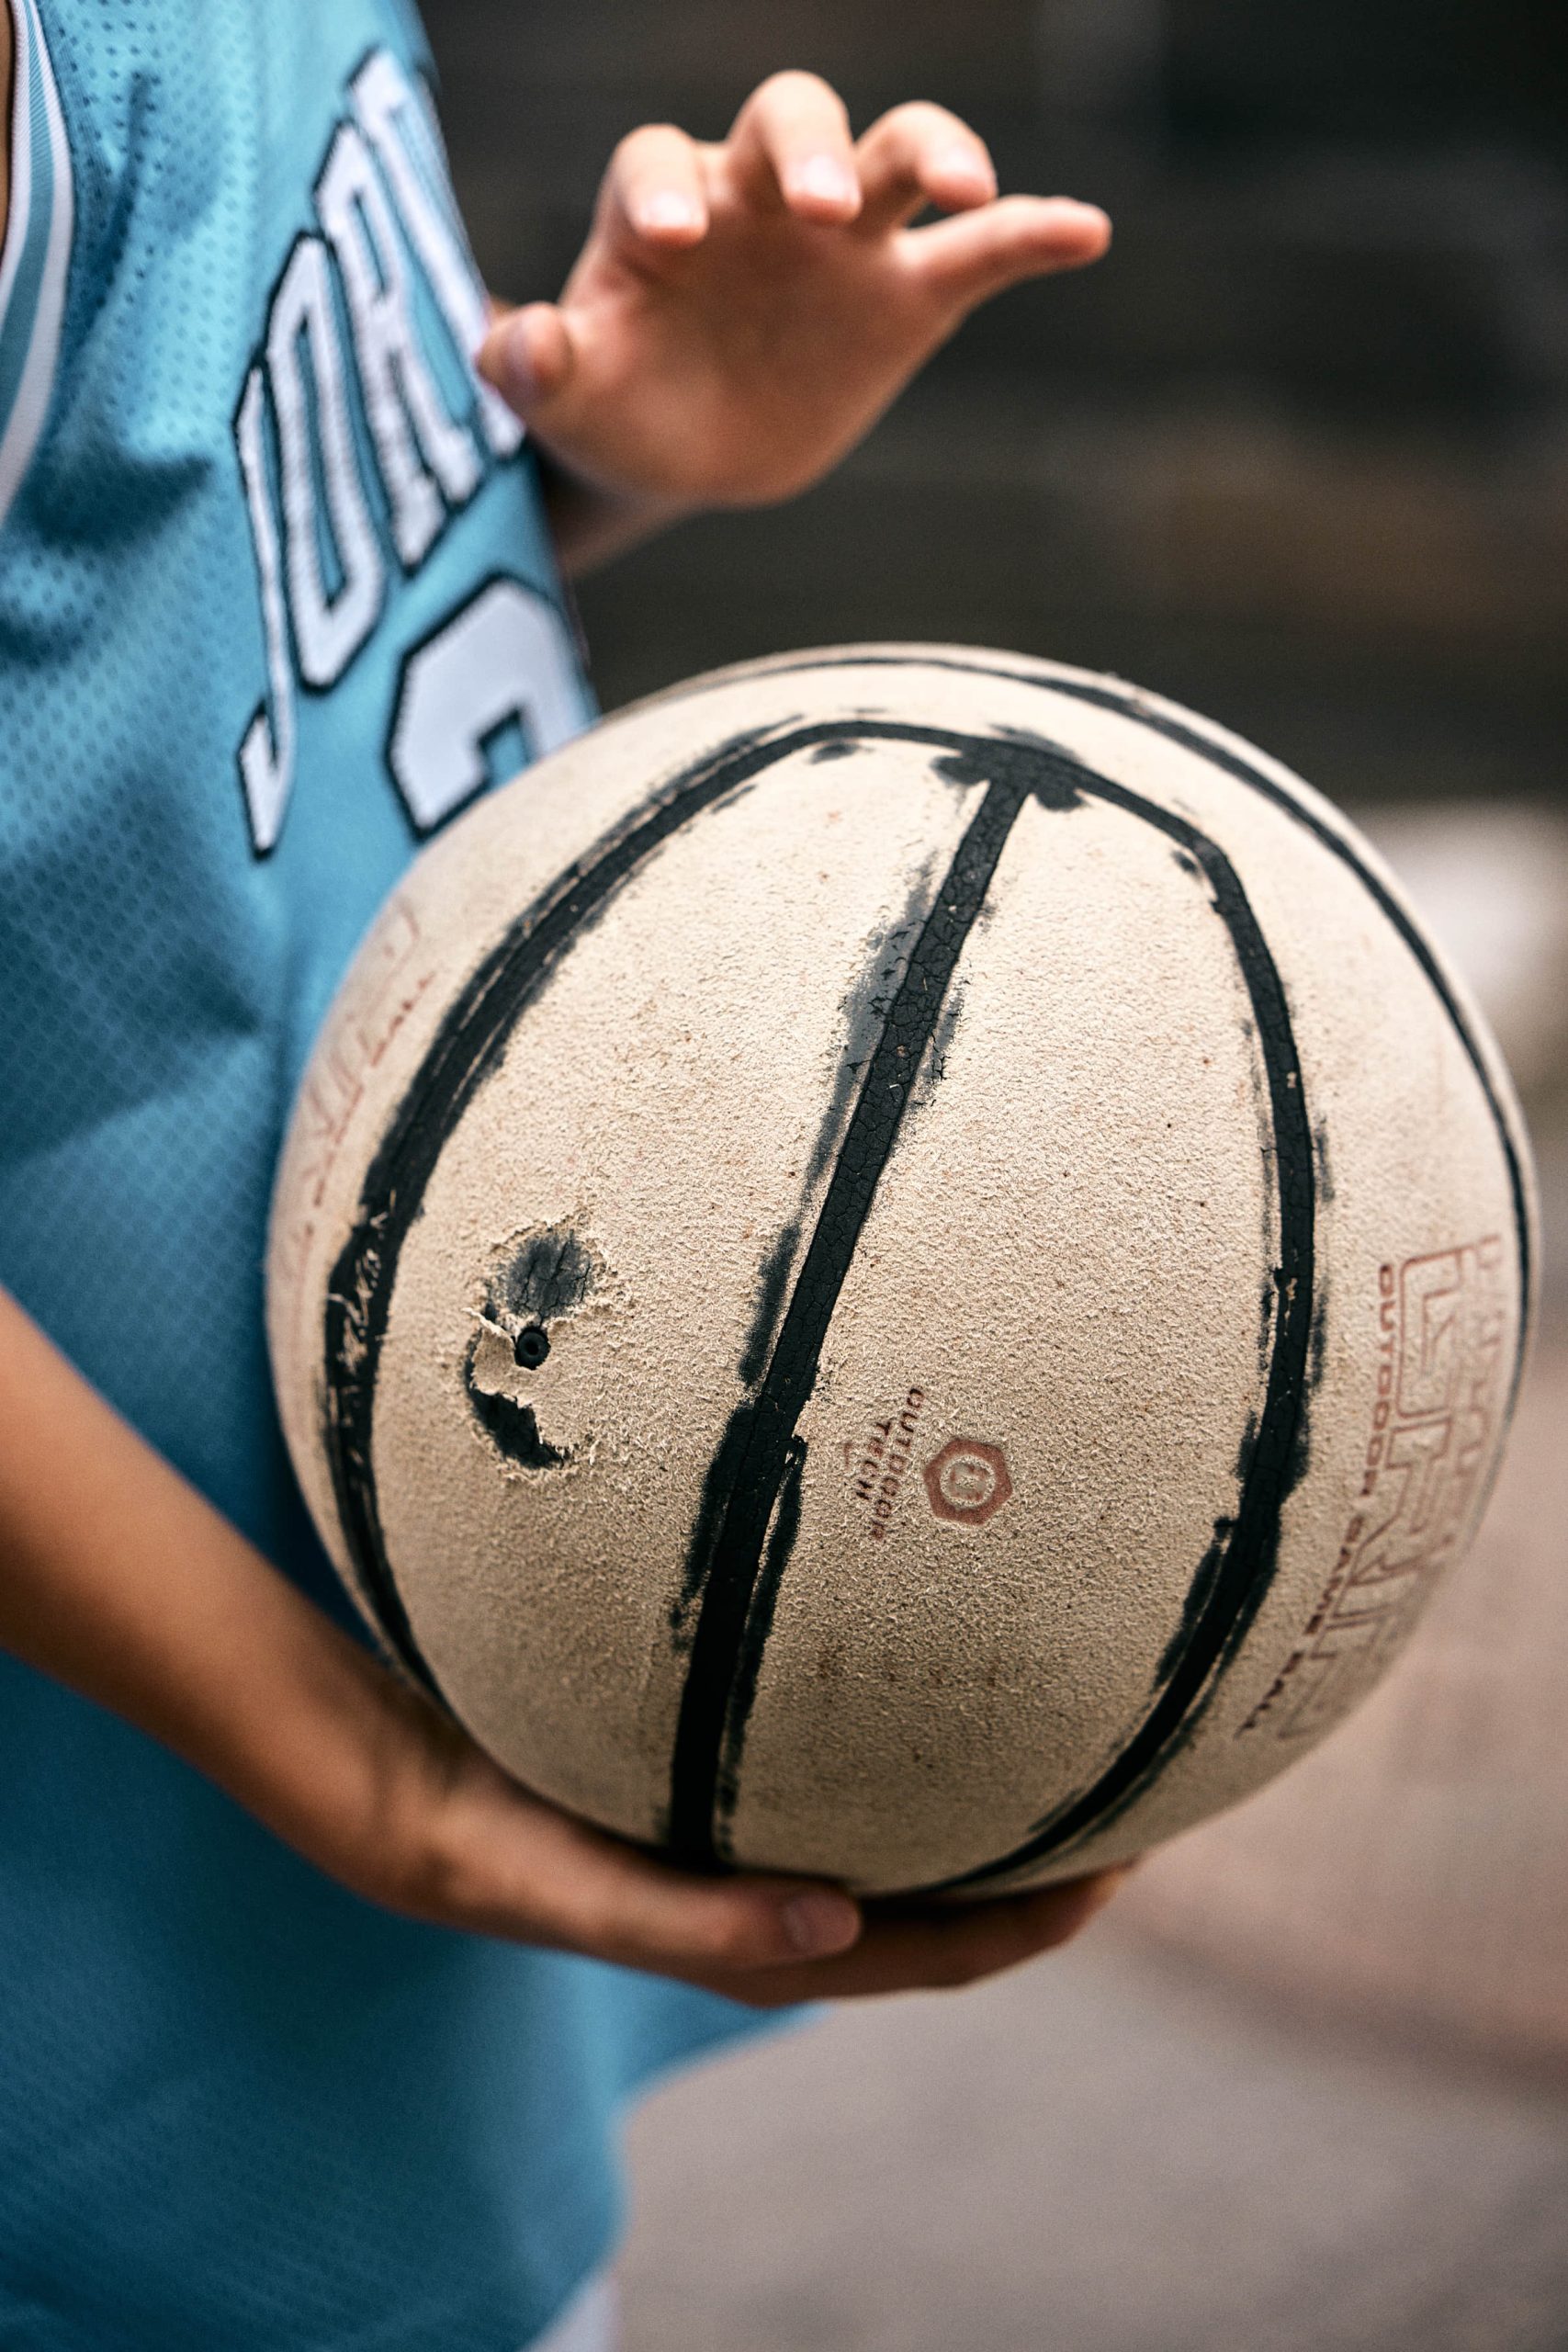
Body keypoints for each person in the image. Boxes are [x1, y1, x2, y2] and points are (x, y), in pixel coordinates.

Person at [0, 5, 1117, 2345]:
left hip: (353, 1713)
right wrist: (361, 1773)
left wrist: (579, 470)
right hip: (143, 1890)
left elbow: (155, 598)